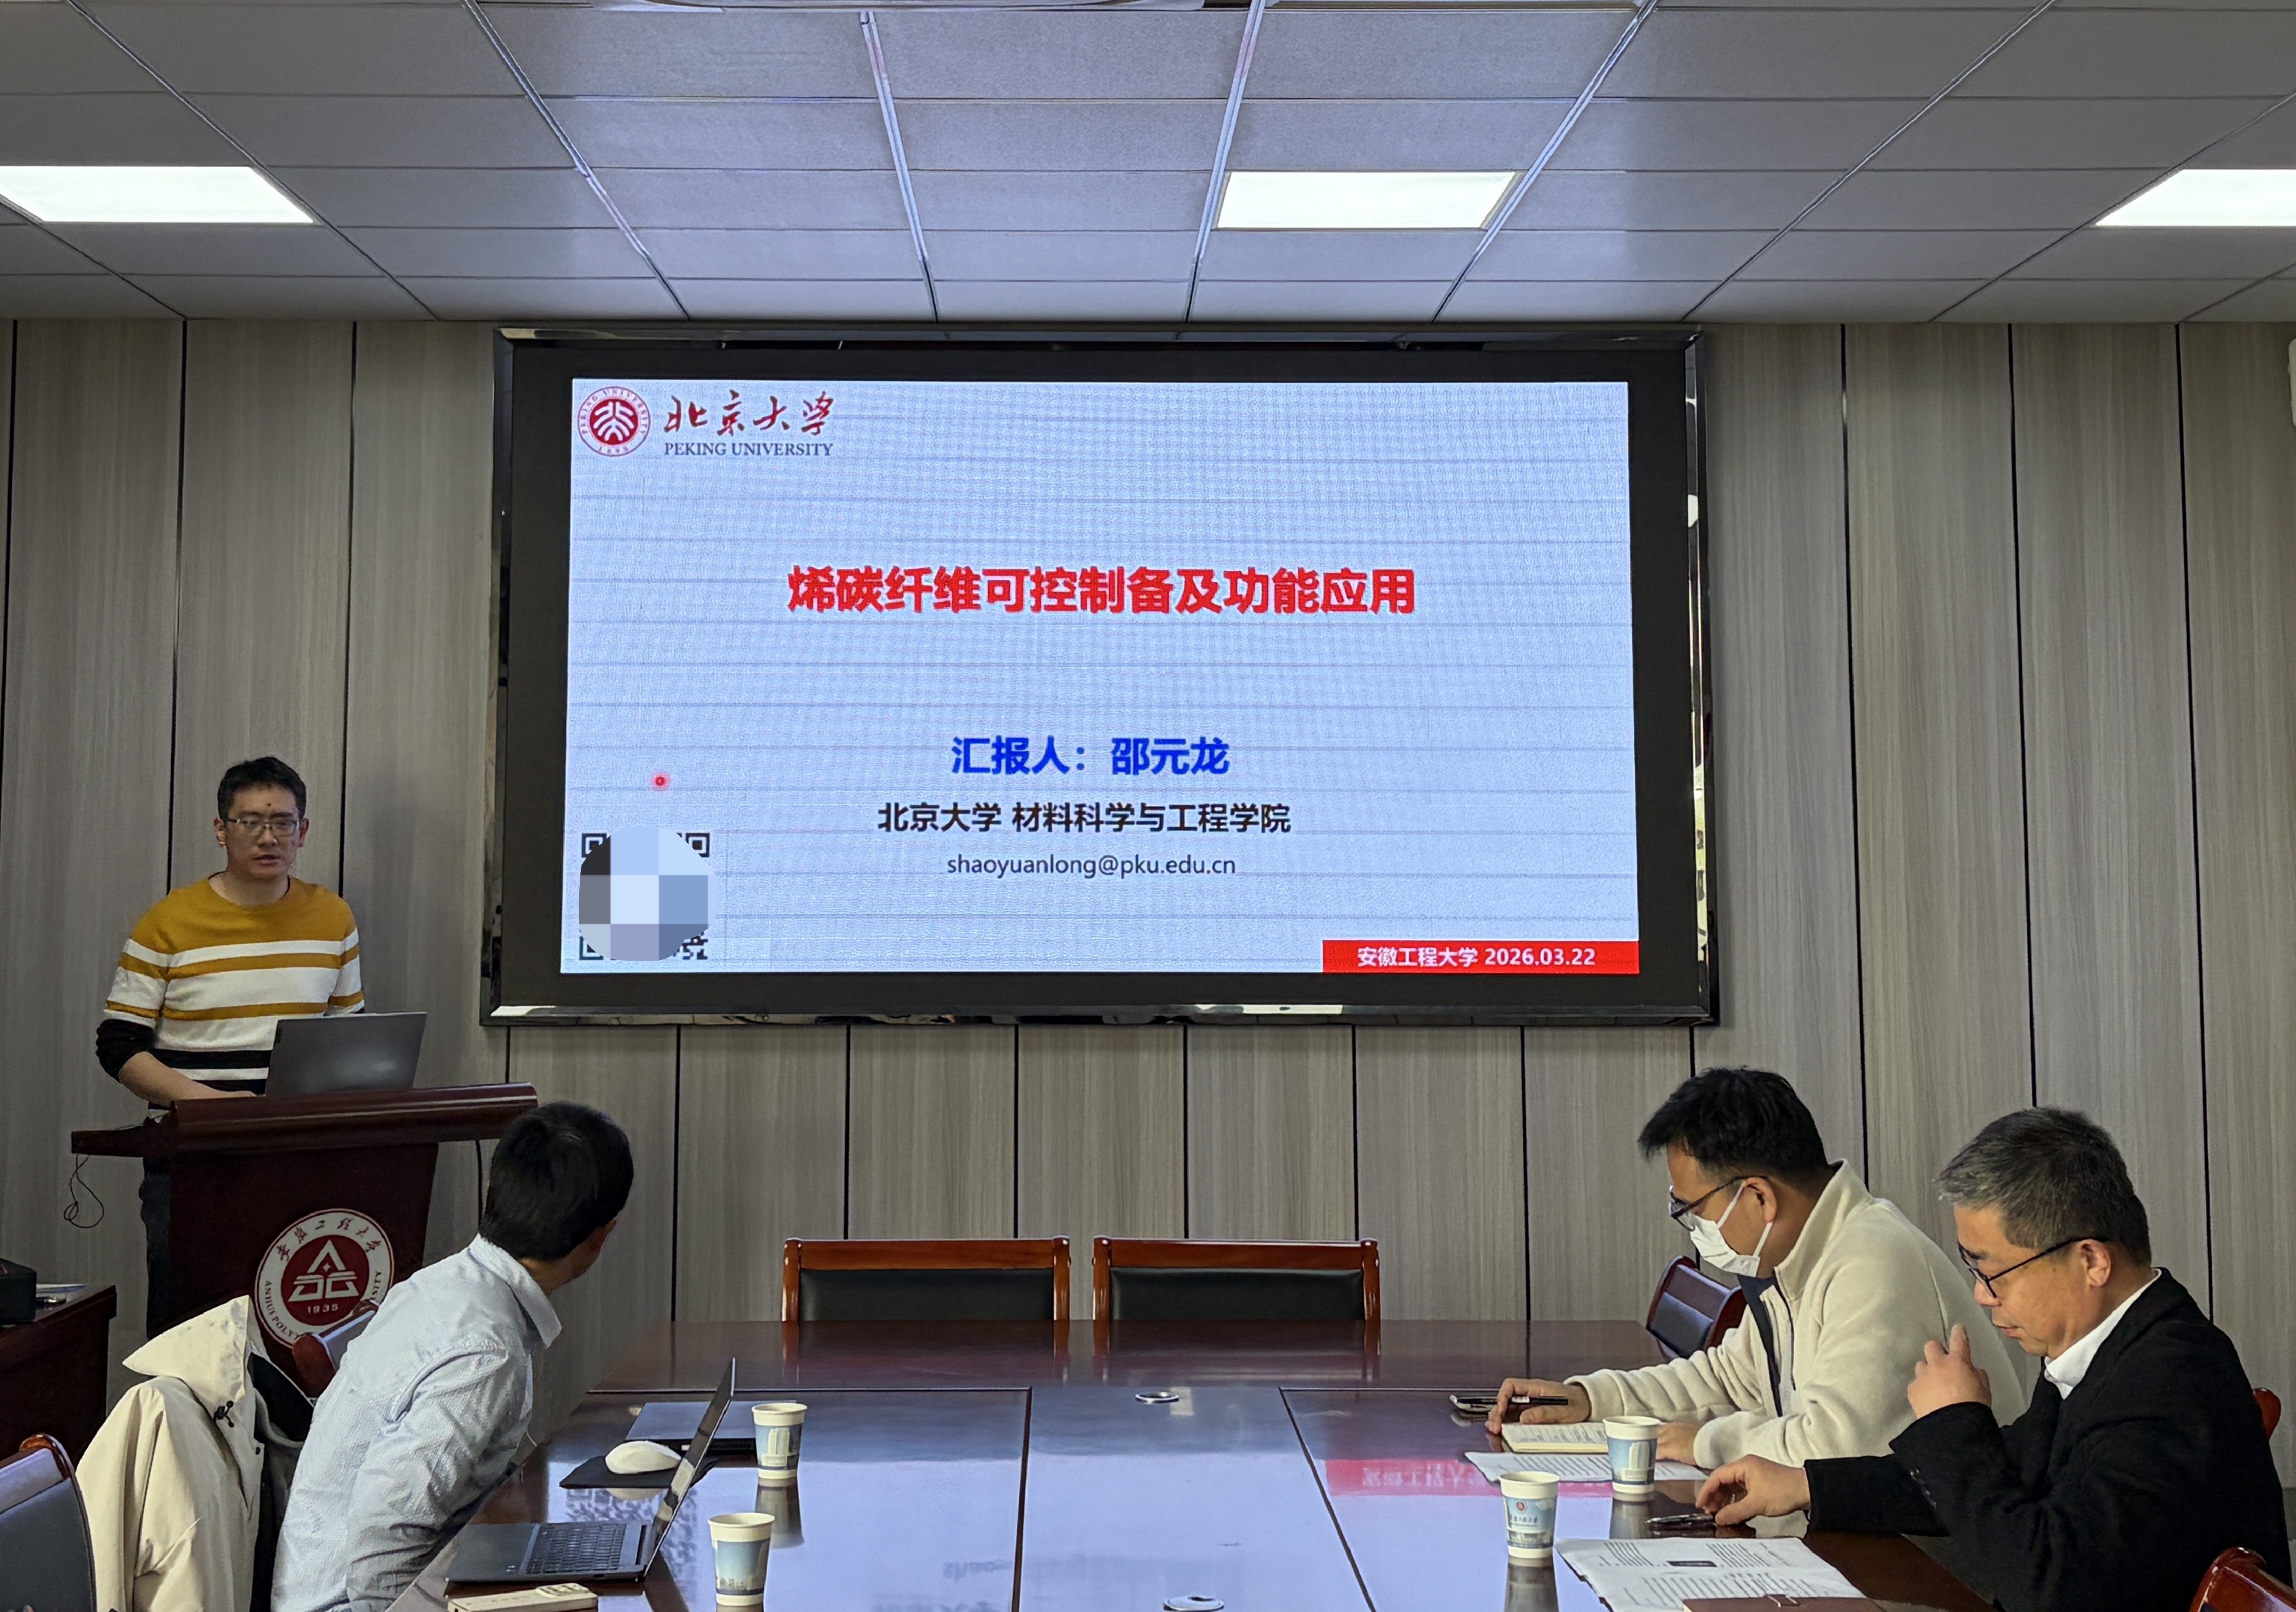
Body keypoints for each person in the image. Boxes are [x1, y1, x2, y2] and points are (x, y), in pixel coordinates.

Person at [1699, 1108, 2289, 1612]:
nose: (1981, 1294)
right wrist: (1807, 1483)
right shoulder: (2112, 1343)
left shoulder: (2169, 1382)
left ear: (2090, 1260)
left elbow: (2049, 1584)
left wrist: (1952, 1422)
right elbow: (2013, 1468)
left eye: (1993, 1271)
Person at [1490, 1067, 2022, 1469]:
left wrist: (1705, 1443)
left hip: (1921, 1563)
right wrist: (1592, 1399)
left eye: (1694, 1209)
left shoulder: (1873, 1261)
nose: (1694, 1226)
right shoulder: (1793, 1257)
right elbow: (1728, 1379)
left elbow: (1832, 1449)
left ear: (1759, 1197)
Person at [271, 1101, 632, 1612]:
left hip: (388, 1578)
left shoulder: (444, 1286)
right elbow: (381, 1546)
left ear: (493, 1192)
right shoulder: (486, 1350)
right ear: (600, 1237)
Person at [96, 755, 365, 1333]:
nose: (269, 837)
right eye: (250, 822)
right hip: (194, 1158)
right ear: (221, 829)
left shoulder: (333, 917)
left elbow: (349, 1037)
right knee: (192, 1330)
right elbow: (118, 1046)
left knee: (294, 1327)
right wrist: (213, 1106)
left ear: (303, 830)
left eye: (283, 822)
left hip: (300, 1157)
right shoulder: (169, 921)